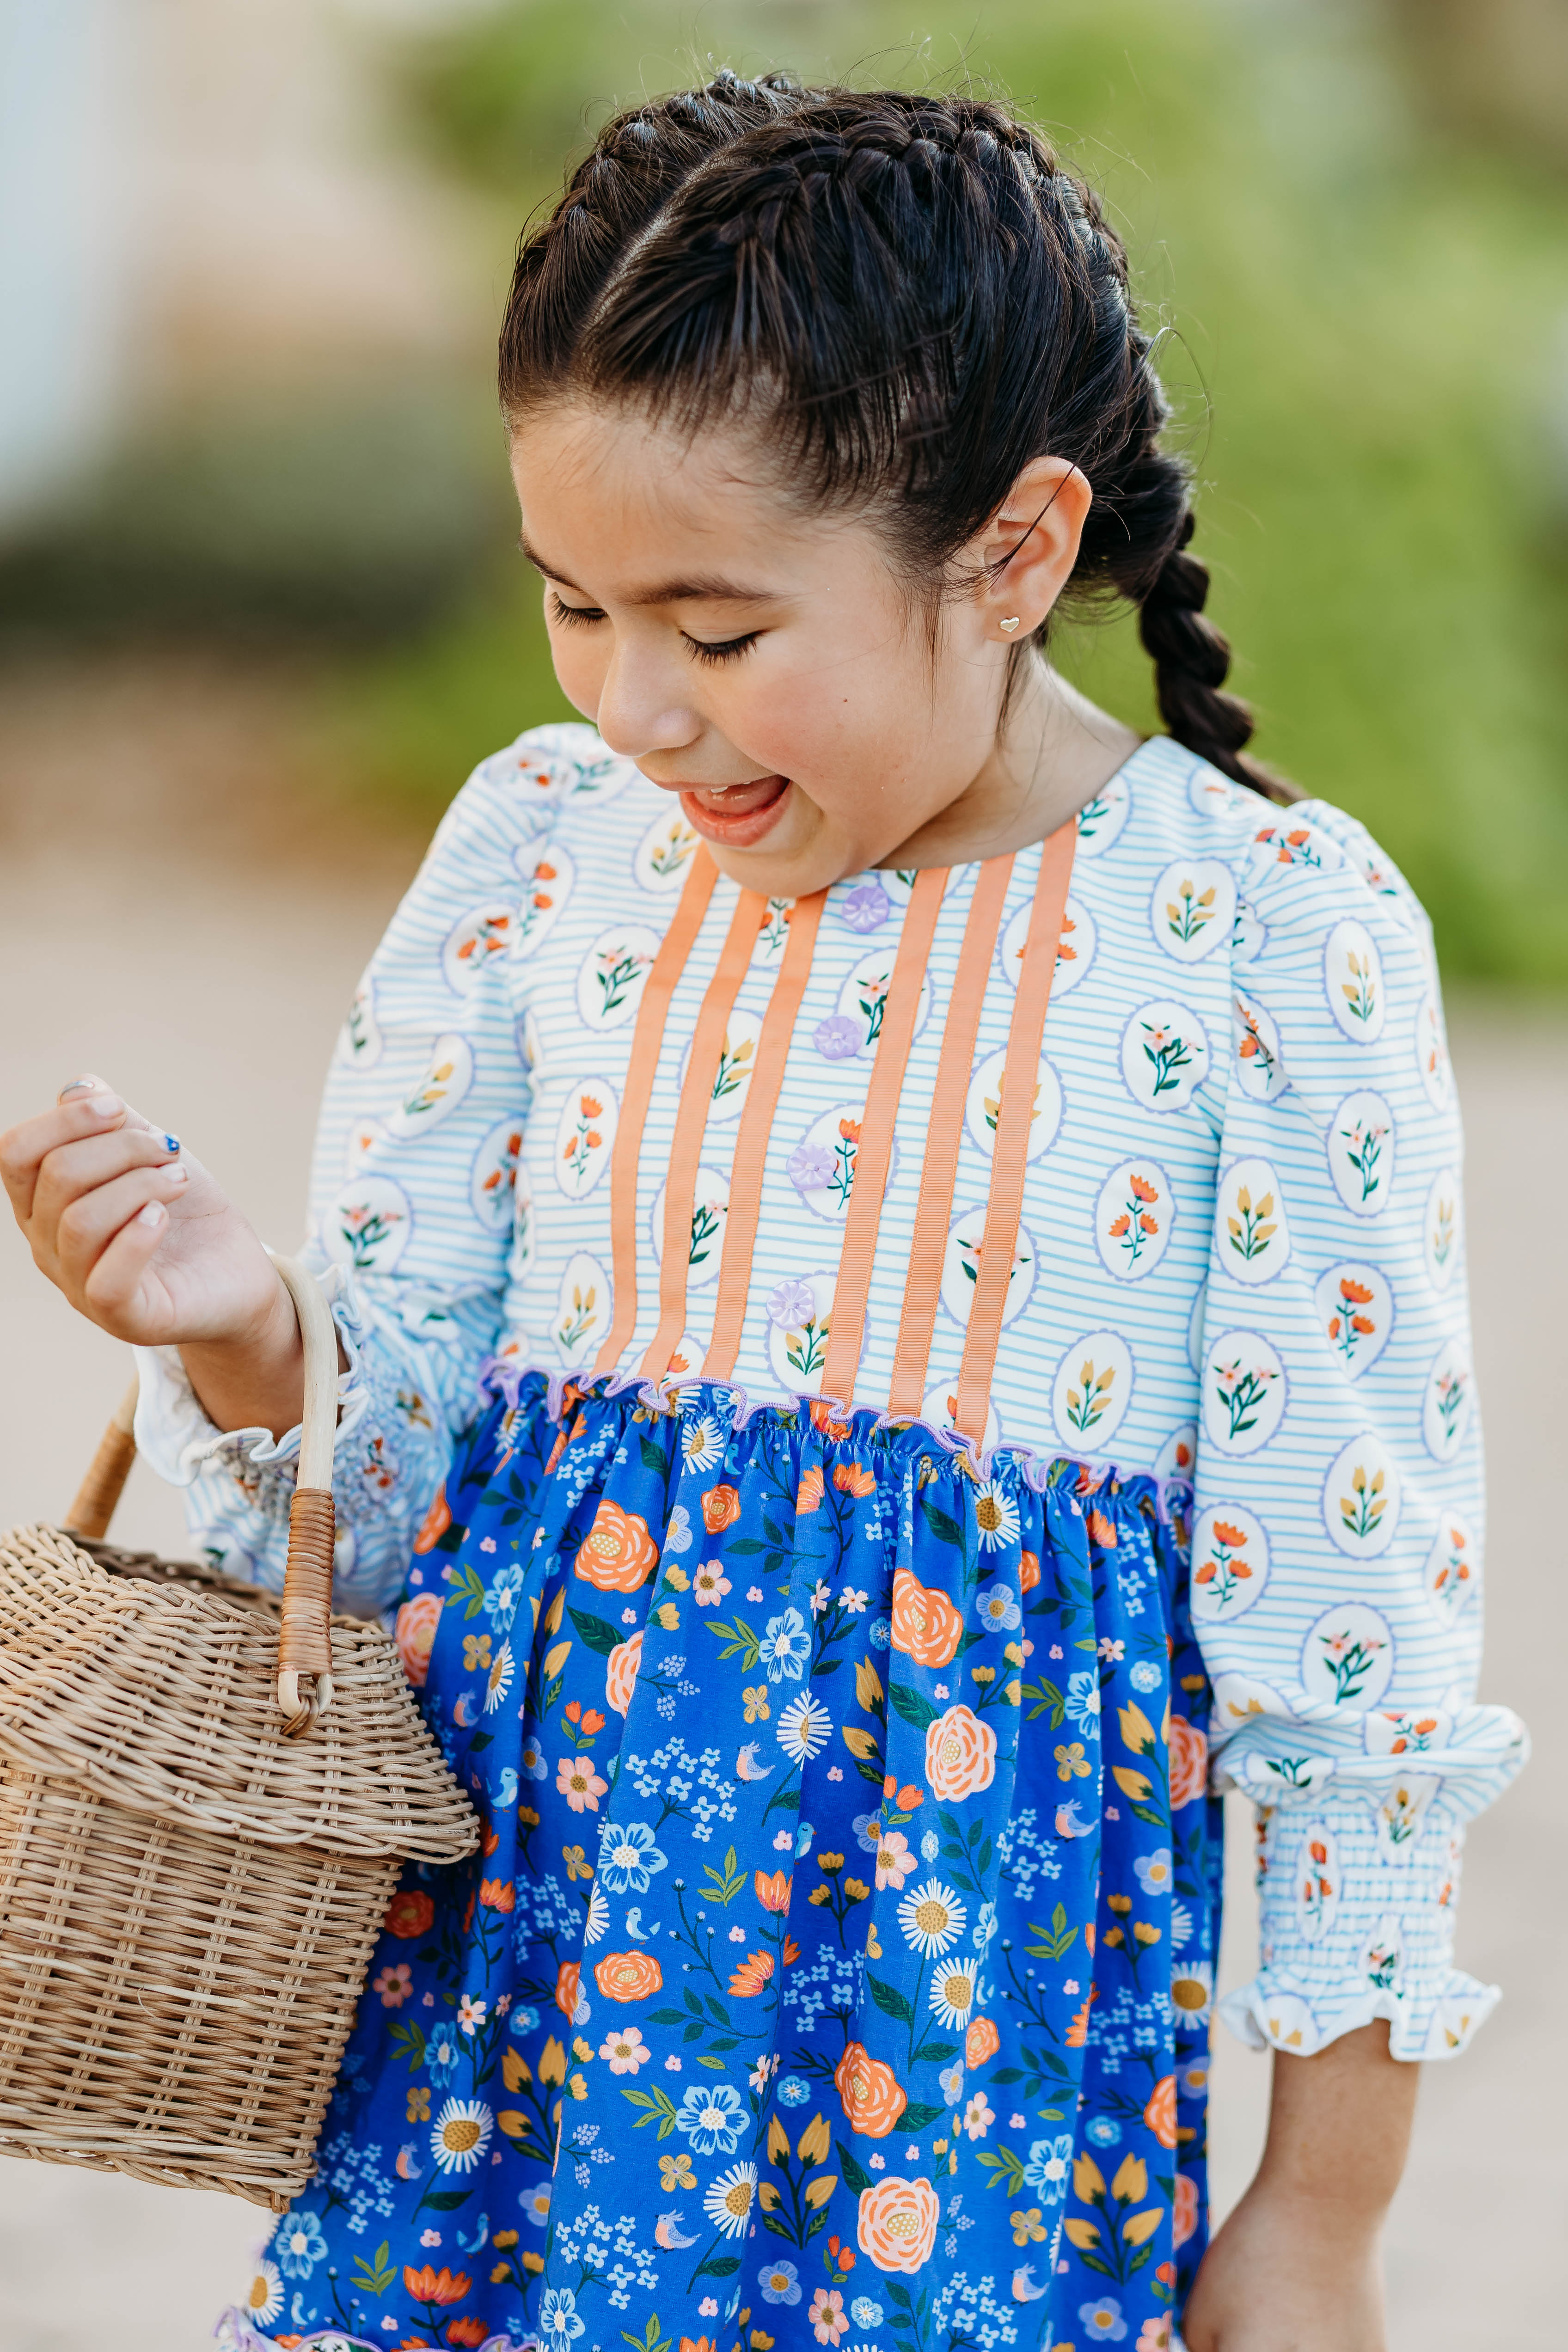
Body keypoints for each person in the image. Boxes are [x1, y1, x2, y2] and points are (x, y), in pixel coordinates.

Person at [0, 71, 1525, 2352]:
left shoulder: (1255, 938)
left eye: (715, 633)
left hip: (958, 2100)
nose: (632, 708)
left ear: (1012, 552)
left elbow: (1348, 1636)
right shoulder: (536, 860)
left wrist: (1315, 2216)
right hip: (492, 2045)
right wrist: (244, 1333)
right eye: (570, 608)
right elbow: (393, 1471)